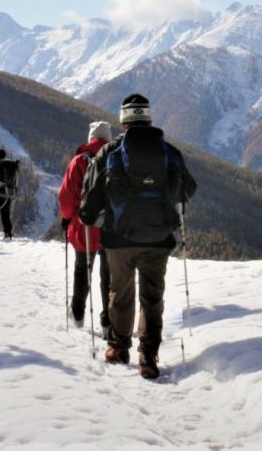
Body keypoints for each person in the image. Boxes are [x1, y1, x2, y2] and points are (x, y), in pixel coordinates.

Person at [79, 94, 197, 379]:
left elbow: (90, 196)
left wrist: (91, 217)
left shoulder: (108, 152)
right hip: (158, 237)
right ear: (149, 119)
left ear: (123, 122)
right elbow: (188, 188)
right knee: (152, 296)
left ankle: (119, 347)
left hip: (119, 238)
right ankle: (149, 353)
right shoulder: (169, 152)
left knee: (120, 293)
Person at [59, 121, 112, 338]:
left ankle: (78, 314)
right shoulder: (116, 158)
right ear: (108, 138)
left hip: (85, 226)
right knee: (108, 275)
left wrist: (67, 219)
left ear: (90, 138)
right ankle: (109, 322)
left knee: (82, 271)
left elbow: (67, 195)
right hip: (111, 226)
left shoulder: (79, 160)